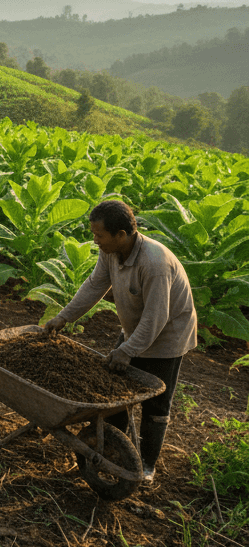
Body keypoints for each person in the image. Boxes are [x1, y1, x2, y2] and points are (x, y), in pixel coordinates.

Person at [44, 199, 197, 484]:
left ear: (121, 235)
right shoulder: (111, 253)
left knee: (155, 404)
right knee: (114, 394)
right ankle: (117, 450)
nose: (95, 240)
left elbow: (156, 318)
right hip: (136, 328)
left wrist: (126, 351)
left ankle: (147, 465)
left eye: (99, 235)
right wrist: (63, 318)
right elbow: (94, 286)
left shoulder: (154, 263)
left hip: (168, 336)